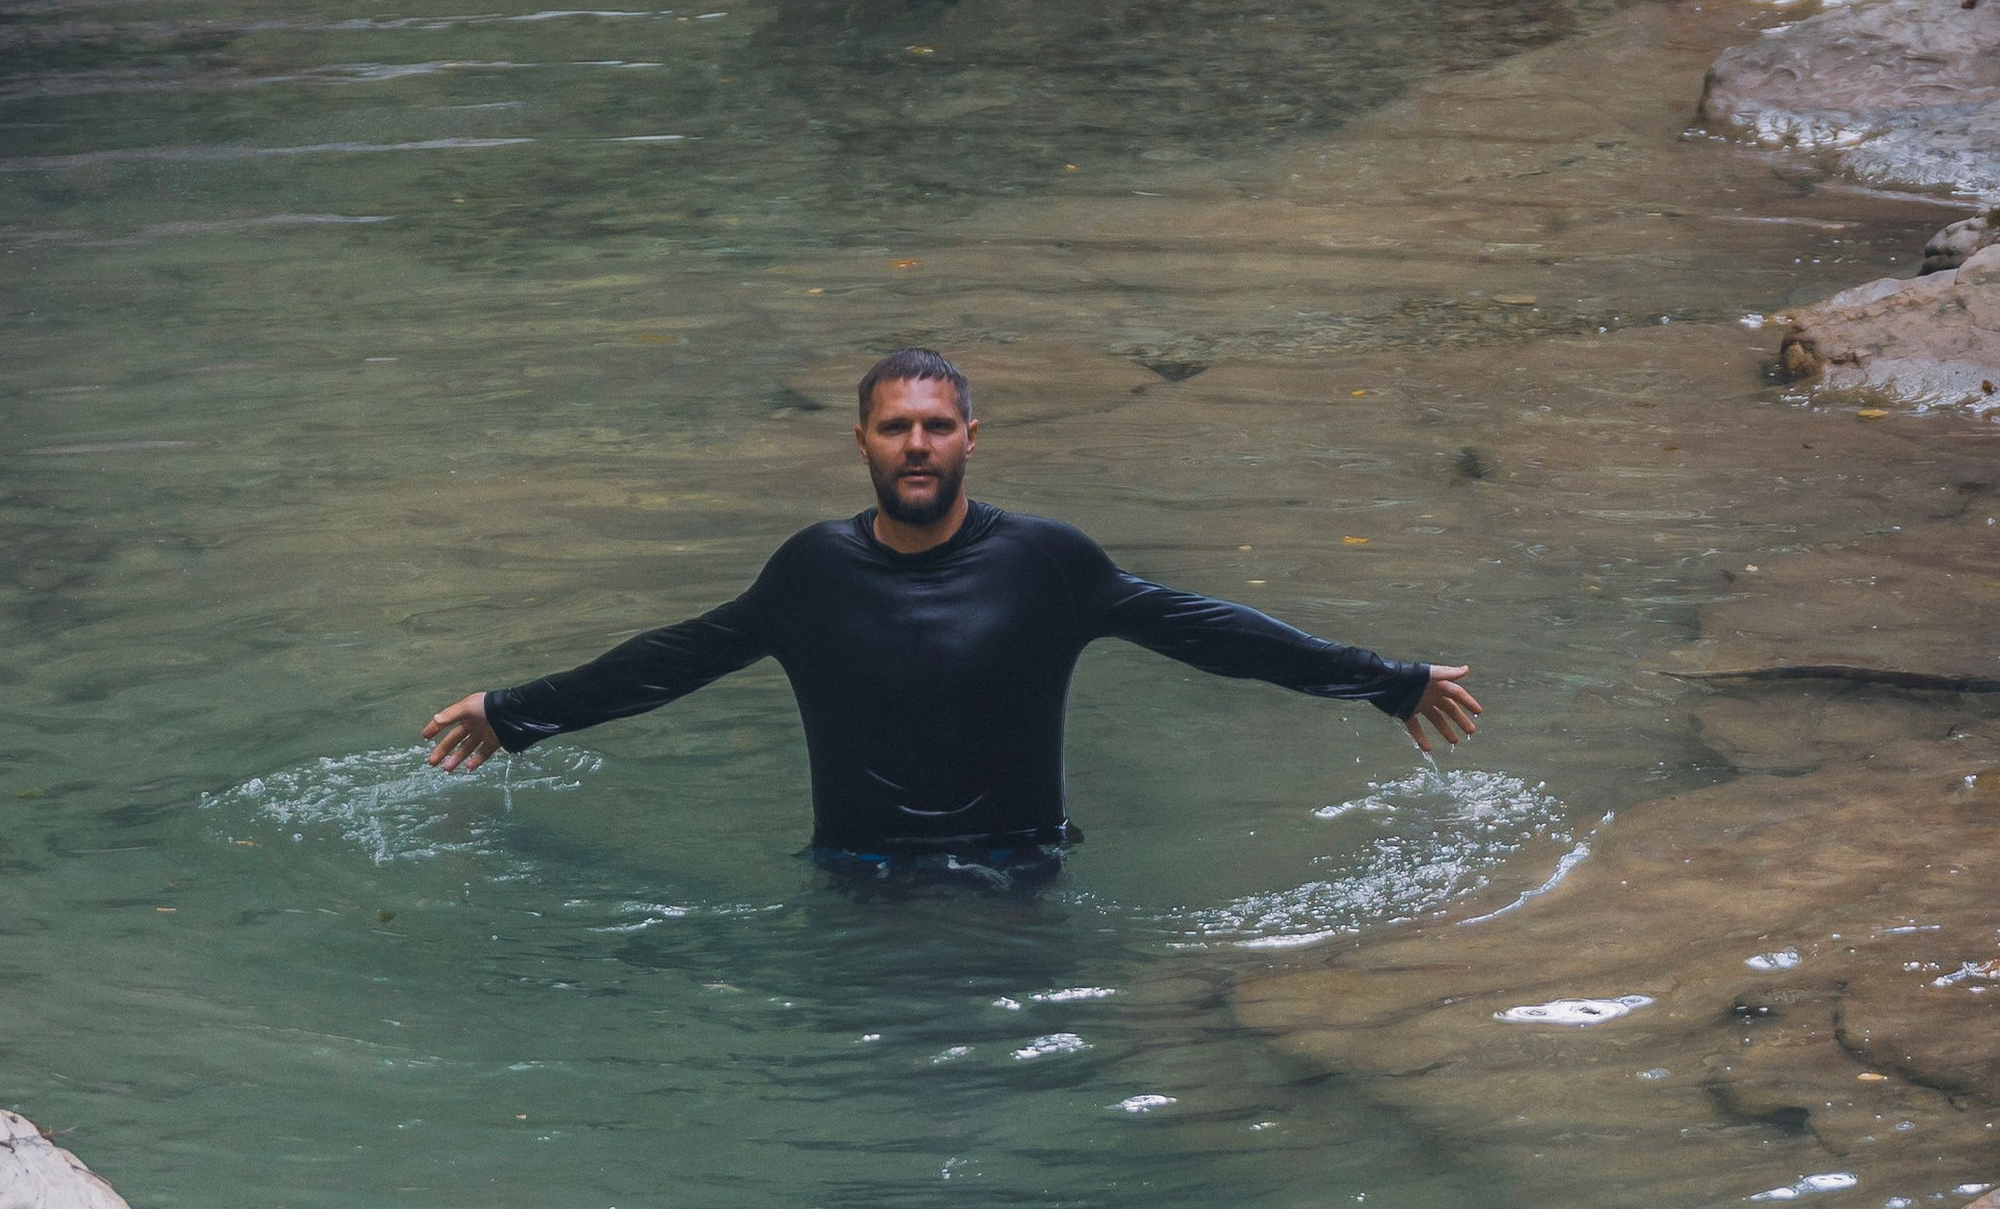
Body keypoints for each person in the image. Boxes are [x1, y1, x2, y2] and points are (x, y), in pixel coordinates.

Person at [421, 347, 1480, 865]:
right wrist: (514, 715)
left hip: (1019, 876)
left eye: (935, 426)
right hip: (854, 881)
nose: (916, 445)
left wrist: (1387, 683)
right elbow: (672, 660)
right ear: (863, 444)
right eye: (894, 428)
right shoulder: (810, 574)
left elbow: (1209, 633)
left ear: (972, 437)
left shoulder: (1048, 565)